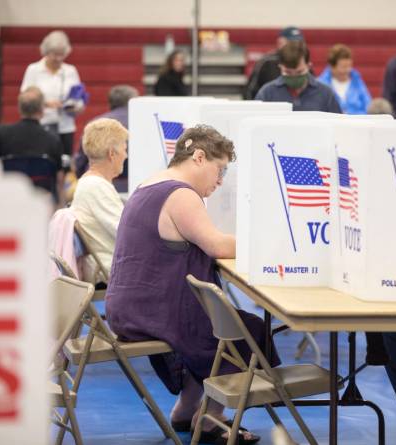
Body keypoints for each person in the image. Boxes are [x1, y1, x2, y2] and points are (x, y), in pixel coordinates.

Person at [106, 125, 279, 444]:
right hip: (152, 308)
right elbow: (217, 246)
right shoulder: (181, 194)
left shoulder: (149, 183)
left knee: (208, 325)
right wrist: (268, 244)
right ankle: (212, 418)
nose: (220, 181)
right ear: (199, 157)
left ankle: (185, 410)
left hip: (128, 306)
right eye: (220, 169)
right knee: (245, 331)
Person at [70, 118, 127, 283]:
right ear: (112, 153)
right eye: (124, 149)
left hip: (106, 265)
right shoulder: (97, 187)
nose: (126, 155)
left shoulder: (89, 183)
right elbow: (126, 233)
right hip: (112, 269)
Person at [20, 30, 84, 158]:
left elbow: (79, 97)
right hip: (42, 124)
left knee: (65, 162)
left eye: (62, 54)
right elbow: (24, 97)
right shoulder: (34, 69)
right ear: (46, 52)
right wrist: (45, 103)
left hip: (66, 126)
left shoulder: (70, 70)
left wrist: (76, 107)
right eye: (55, 54)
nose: (58, 58)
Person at [0, 86, 63, 174]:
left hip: (9, 186)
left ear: (19, 109)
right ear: (42, 111)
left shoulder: (2, 133)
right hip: (41, 187)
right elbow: (59, 176)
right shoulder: (52, 139)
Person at [256, 41, 342, 113]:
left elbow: (338, 125)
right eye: (288, 72)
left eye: (299, 72)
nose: (294, 76)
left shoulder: (325, 93)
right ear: (280, 67)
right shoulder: (267, 93)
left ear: (309, 66)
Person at [74, 84, 139, 179]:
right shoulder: (145, 123)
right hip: (136, 182)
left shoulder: (95, 124)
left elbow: (81, 161)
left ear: (110, 103)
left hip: (99, 180)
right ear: (134, 102)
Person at [243, 26, 304, 100]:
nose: (295, 46)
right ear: (280, 42)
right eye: (291, 42)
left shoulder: (303, 62)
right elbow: (250, 91)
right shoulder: (266, 62)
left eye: (298, 42)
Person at [317, 44, 371, 114]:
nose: (348, 70)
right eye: (343, 67)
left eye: (349, 66)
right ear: (332, 67)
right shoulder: (320, 85)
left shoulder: (357, 81)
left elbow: (368, 105)